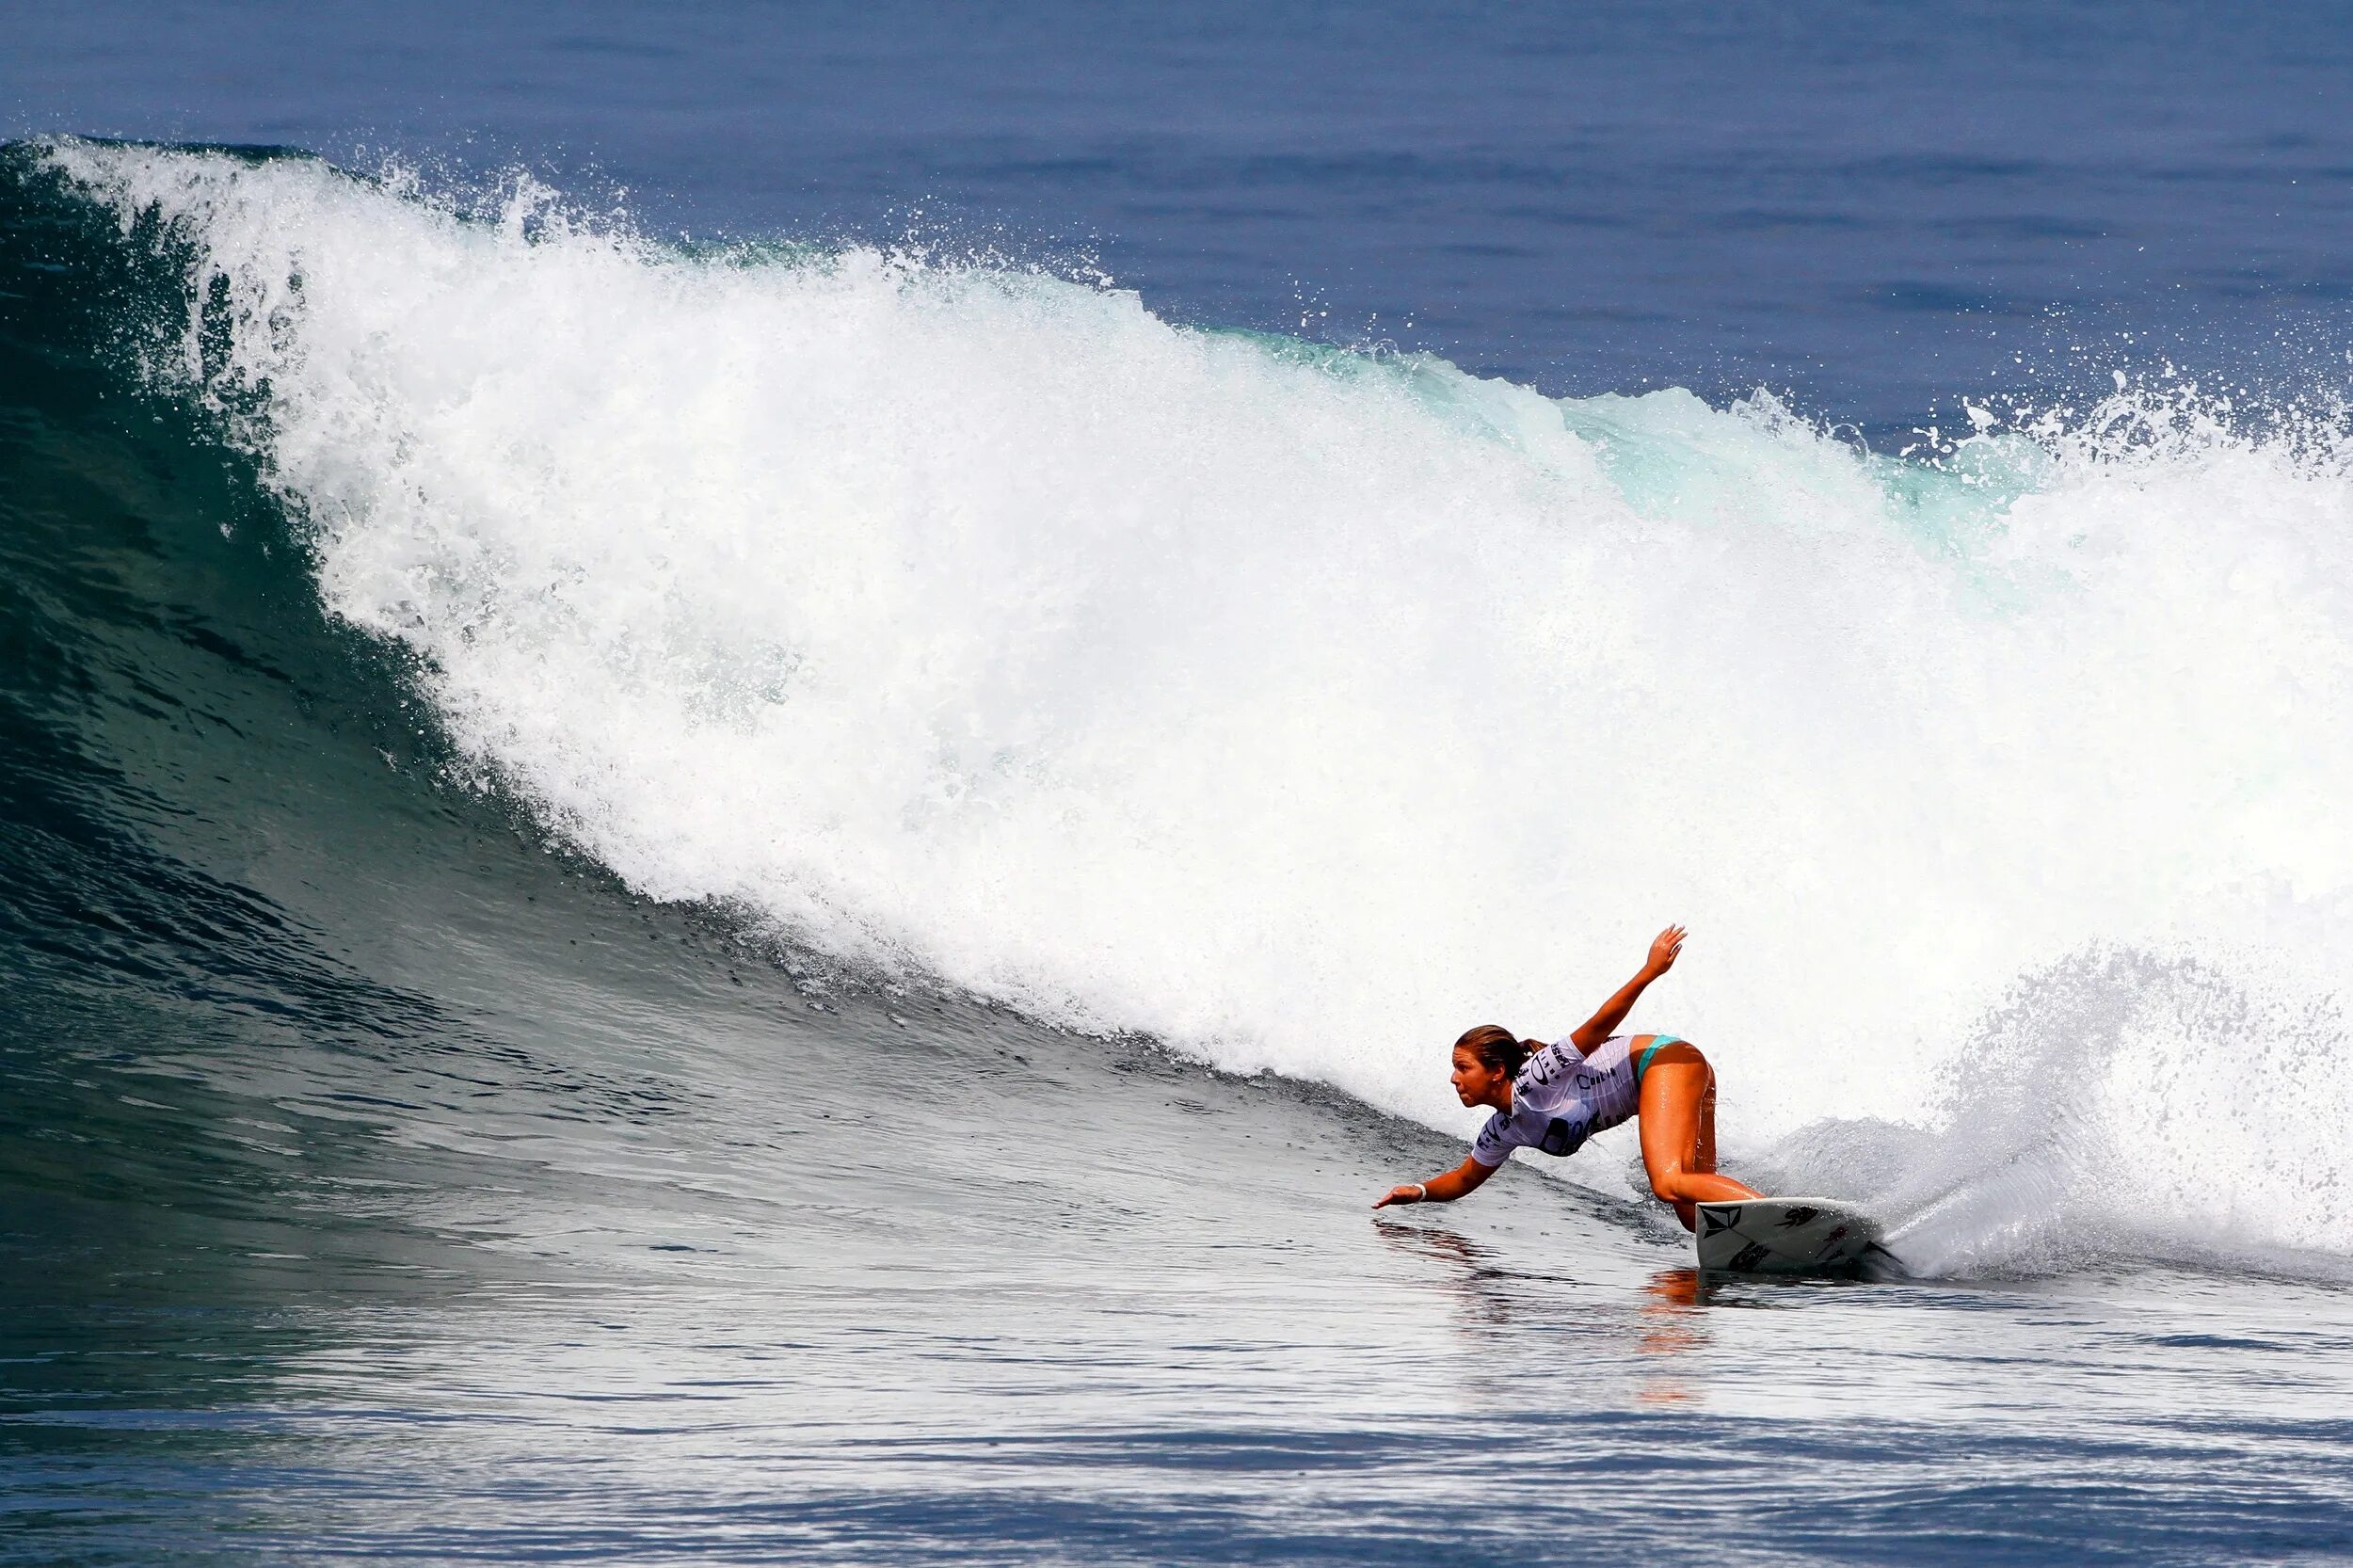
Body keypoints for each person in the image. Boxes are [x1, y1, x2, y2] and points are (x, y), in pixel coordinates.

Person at [1372, 926, 1763, 1231]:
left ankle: (1782, 1215)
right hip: (1676, 1071)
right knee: (1695, 1216)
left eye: (1463, 1067)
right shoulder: (1504, 1128)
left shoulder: (1538, 1074)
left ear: (1497, 1072)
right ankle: (1772, 1232)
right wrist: (1419, 1191)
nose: (1454, 1078)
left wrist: (1649, 971)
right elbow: (1463, 1179)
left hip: (1661, 1061)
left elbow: (1597, 1026)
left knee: (1666, 1183)